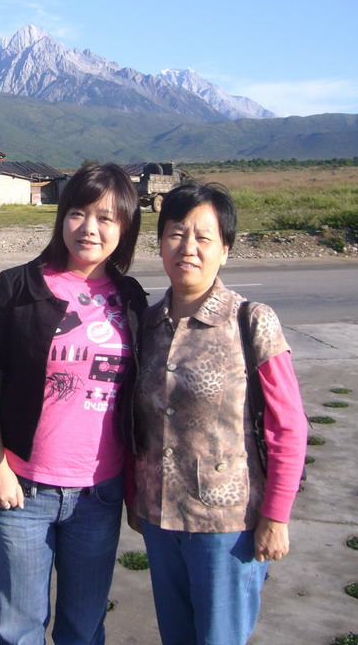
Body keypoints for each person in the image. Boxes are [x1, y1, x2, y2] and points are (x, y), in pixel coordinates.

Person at [0, 163, 149, 645]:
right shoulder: (18, 286)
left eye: (107, 218)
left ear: (124, 227)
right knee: (19, 627)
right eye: (78, 213)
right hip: (24, 487)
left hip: (99, 492)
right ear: (60, 217)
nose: (90, 228)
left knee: (83, 628)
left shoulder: (129, 297)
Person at [123, 180, 307, 645]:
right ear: (161, 244)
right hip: (159, 519)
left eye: (203, 237)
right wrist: (134, 494)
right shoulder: (145, 323)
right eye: (176, 234)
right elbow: (135, 422)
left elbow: (290, 426)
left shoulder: (252, 321)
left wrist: (277, 515)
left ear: (225, 249)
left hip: (226, 525)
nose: (188, 248)